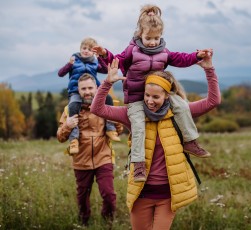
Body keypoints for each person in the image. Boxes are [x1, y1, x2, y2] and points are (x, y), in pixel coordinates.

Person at [90, 51, 220, 229]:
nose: (149, 101)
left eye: (155, 97)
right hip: (140, 192)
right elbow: (97, 109)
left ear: (167, 95)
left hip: (167, 195)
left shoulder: (180, 113)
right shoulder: (132, 114)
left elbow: (213, 100)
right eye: (146, 95)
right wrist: (107, 83)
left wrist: (209, 69)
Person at [93, 4, 212, 183]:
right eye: (148, 38)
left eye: (156, 38)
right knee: (139, 127)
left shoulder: (164, 52)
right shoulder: (131, 51)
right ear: (140, 34)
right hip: (135, 98)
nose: (152, 42)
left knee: (181, 105)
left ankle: (189, 141)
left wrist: (197, 56)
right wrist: (104, 54)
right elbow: (116, 60)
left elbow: (181, 59)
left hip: (158, 93)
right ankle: (139, 163)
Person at [56, 73, 123, 227]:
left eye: (90, 88)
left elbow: (118, 131)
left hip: (103, 157)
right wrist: (67, 125)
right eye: (83, 88)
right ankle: (84, 221)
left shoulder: (105, 105)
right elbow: (60, 137)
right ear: (78, 91)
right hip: (81, 161)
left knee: (109, 195)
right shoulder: (70, 109)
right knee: (82, 196)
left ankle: (108, 221)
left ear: (96, 88)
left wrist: (114, 120)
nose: (87, 92)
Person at [58, 37, 120, 155]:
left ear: (94, 52)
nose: (86, 51)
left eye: (90, 49)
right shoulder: (74, 60)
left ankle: (110, 128)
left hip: (93, 90)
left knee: (108, 99)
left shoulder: (94, 61)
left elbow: (104, 70)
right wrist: (68, 64)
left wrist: (100, 58)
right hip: (76, 90)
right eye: (84, 48)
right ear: (80, 48)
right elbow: (60, 73)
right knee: (73, 108)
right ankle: (74, 139)